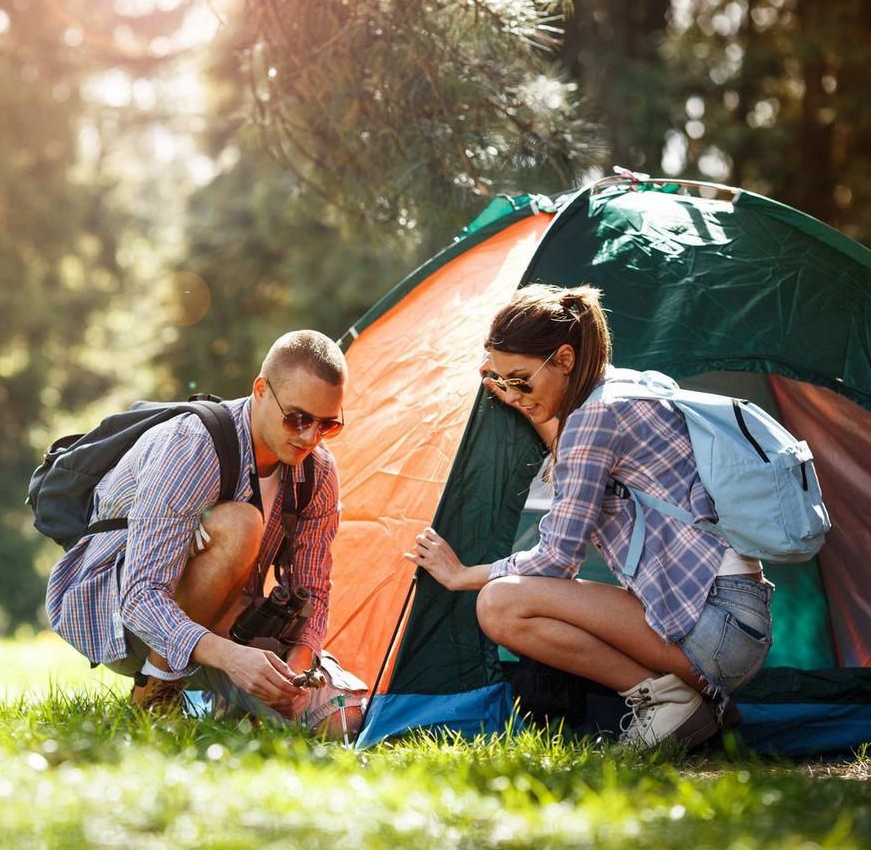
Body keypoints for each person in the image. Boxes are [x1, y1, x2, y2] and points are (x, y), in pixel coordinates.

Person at [405, 285, 774, 750]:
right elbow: (576, 451)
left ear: (563, 359)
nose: (514, 393)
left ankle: (668, 702)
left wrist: (463, 575)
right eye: (504, 381)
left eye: (521, 379)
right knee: (512, 599)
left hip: (715, 625)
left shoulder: (593, 419)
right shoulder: (622, 390)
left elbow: (558, 559)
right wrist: (526, 397)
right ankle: (699, 701)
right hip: (732, 619)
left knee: (499, 604)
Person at [46, 330, 366, 737]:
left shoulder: (318, 471)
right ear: (262, 390)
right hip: (120, 618)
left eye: (328, 425)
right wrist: (233, 658)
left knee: (342, 720)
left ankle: (229, 703)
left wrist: (300, 664)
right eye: (298, 418)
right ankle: (156, 691)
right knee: (241, 524)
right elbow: (140, 596)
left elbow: (314, 589)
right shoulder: (193, 445)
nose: (310, 437)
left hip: (231, 620)